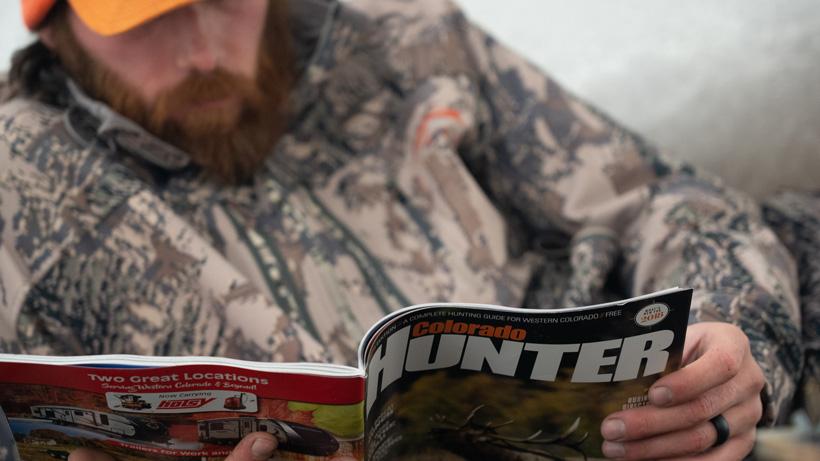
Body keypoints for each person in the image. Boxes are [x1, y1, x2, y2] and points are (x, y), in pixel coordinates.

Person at [0, 0, 803, 459]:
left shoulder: (402, 33)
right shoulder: (17, 192)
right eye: (149, 13)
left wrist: (733, 354)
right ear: (55, 25)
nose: (204, 51)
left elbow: (668, 201)